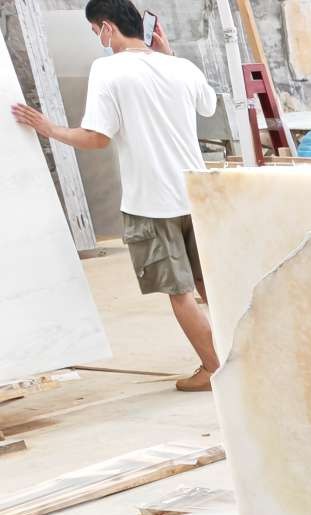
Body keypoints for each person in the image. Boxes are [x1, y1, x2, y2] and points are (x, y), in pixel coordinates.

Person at [9, 0, 220, 391]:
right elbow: (208, 106)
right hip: (197, 194)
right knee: (210, 286)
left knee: (179, 293)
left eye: (96, 31)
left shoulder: (108, 69)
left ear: (107, 27)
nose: (98, 39)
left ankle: (213, 369)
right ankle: (237, 361)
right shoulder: (181, 67)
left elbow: (96, 137)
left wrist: (49, 129)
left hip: (150, 201)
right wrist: (169, 54)